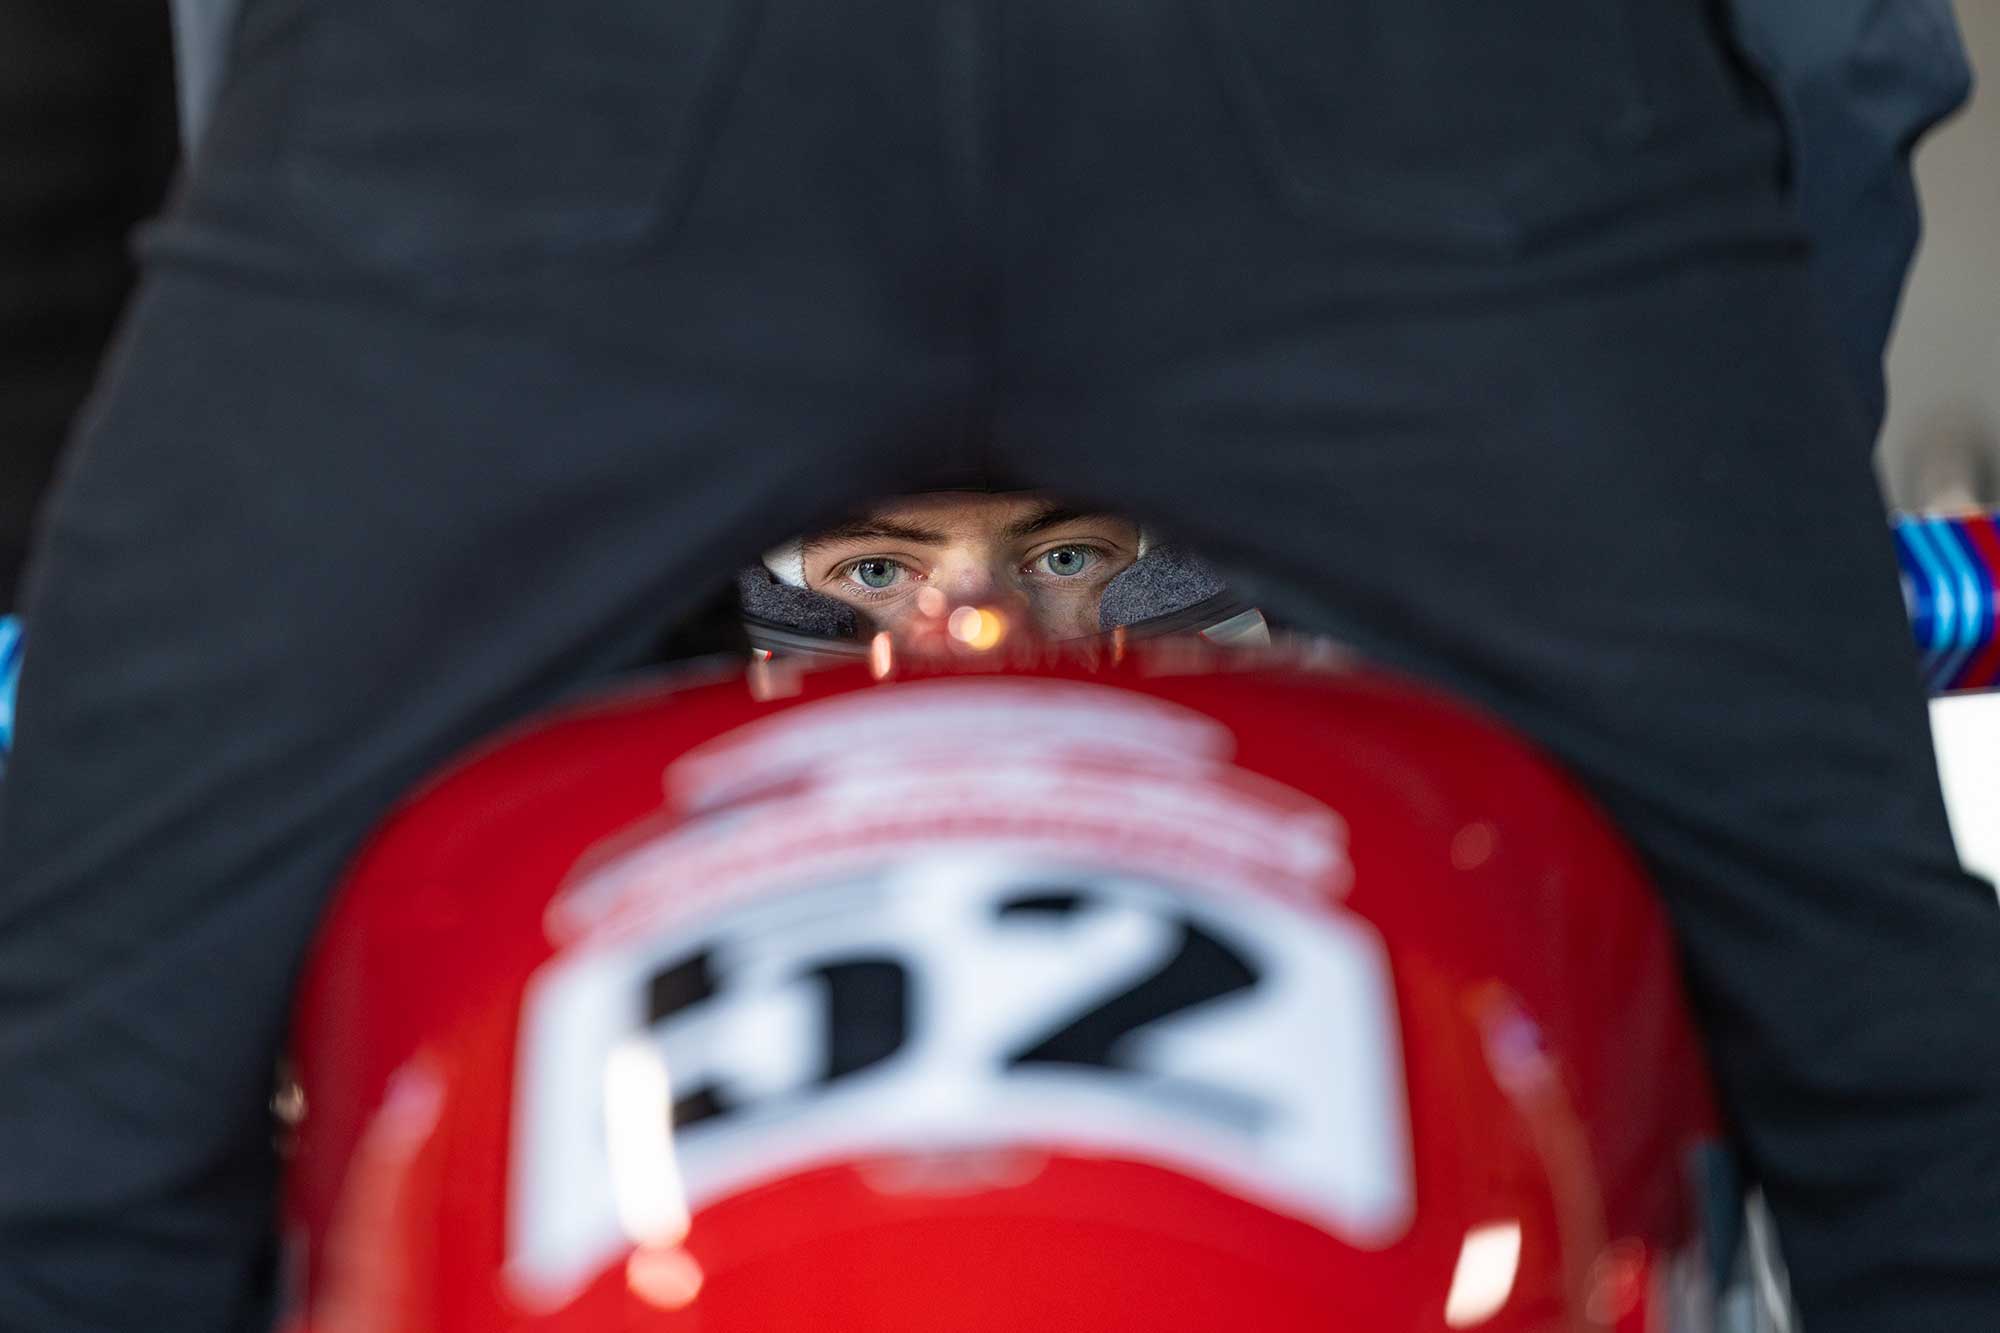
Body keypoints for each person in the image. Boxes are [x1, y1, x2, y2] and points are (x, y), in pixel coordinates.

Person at [2, 5, 1997, 1333]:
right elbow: (1823, 64)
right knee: (1896, 1079)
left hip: (547, 95)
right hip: (1403, 91)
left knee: (75, 1134)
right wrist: (1733, 548)